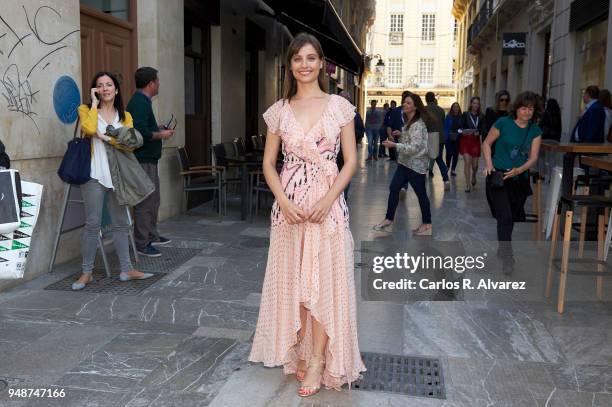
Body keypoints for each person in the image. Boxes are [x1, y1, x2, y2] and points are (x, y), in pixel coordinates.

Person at [248, 32, 365, 397]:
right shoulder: (279, 111)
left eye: (311, 58)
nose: (304, 65)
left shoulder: (340, 107)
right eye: (298, 58)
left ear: (322, 63)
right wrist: (282, 201)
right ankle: (299, 351)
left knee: (322, 283)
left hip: (326, 209)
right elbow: (269, 163)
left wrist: (329, 199)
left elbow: (351, 161)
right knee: (295, 282)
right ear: (290, 64)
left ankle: (317, 360)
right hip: (290, 209)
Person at [72, 71, 154, 290]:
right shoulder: (86, 110)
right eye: (100, 85)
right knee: (92, 224)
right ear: (95, 90)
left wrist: (106, 137)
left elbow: (129, 145)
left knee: (120, 224)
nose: (105, 88)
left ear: (116, 90)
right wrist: (93, 103)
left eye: (109, 85)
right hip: (93, 175)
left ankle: (126, 269)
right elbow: (89, 129)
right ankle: (86, 272)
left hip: (118, 176)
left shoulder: (124, 116)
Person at [483, 91, 542, 274]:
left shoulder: (535, 130)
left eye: (530, 109)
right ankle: (508, 258)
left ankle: (503, 247)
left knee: (510, 219)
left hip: (519, 180)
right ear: (516, 108)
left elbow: (533, 158)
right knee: (505, 218)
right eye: (523, 108)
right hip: (499, 178)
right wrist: (489, 164)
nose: (526, 112)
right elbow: (486, 144)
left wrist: (519, 170)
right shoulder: (503, 123)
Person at [126, 67, 175, 258]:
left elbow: (145, 128)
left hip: (149, 160)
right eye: (158, 80)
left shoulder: (143, 102)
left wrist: (158, 128)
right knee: (145, 201)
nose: (159, 84)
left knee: (153, 200)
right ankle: (141, 242)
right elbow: (140, 133)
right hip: (142, 160)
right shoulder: (139, 102)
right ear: (151, 84)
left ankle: (151, 235)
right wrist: (161, 134)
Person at [373, 92, 432, 235]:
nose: (404, 105)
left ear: (415, 107)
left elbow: (415, 147)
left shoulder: (418, 125)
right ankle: (389, 219)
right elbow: (410, 141)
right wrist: (402, 134)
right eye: (404, 102)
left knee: (421, 194)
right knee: (394, 188)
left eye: (408, 103)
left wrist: (394, 145)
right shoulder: (409, 122)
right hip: (405, 163)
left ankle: (427, 223)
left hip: (416, 166)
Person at [337, 90, 363, 198]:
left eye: (344, 100)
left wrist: (348, 135)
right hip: (334, 151)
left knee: (346, 174)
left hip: (347, 150)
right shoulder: (331, 113)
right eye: (340, 99)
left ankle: (343, 196)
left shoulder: (354, 115)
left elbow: (361, 131)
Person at [459, 96, 485, 192]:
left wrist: (479, 132)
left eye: (477, 103)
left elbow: (483, 128)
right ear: (471, 104)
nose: (475, 105)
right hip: (465, 140)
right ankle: (467, 185)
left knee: (475, 165)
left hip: (475, 141)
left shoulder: (481, 116)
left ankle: (474, 174)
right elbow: (460, 126)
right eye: (474, 103)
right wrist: (463, 131)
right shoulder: (466, 114)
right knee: (467, 163)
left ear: (479, 105)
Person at [424, 92, 450, 190]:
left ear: (426, 99)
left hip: (428, 137)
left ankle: (422, 178)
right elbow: (442, 123)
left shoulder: (424, 110)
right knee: (439, 159)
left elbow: (423, 125)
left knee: (423, 158)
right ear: (434, 98)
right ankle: (446, 179)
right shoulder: (441, 110)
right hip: (439, 138)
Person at [538, 98, 562, 179]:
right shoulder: (558, 114)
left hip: (545, 138)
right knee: (552, 159)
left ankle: (541, 174)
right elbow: (560, 127)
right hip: (555, 139)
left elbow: (540, 125)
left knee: (541, 156)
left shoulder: (545, 113)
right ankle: (551, 177)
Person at [444, 102, 462, 176]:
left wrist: (461, 131)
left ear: (459, 108)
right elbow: (445, 127)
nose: (456, 108)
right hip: (449, 138)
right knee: (449, 154)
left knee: (455, 155)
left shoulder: (461, 117)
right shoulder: (448, 116)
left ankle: (453, 169)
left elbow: (462, 126)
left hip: (458, 138)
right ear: (452, 108)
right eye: (454, 107)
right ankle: (447, 166)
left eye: (457, 107)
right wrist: (446, 137)